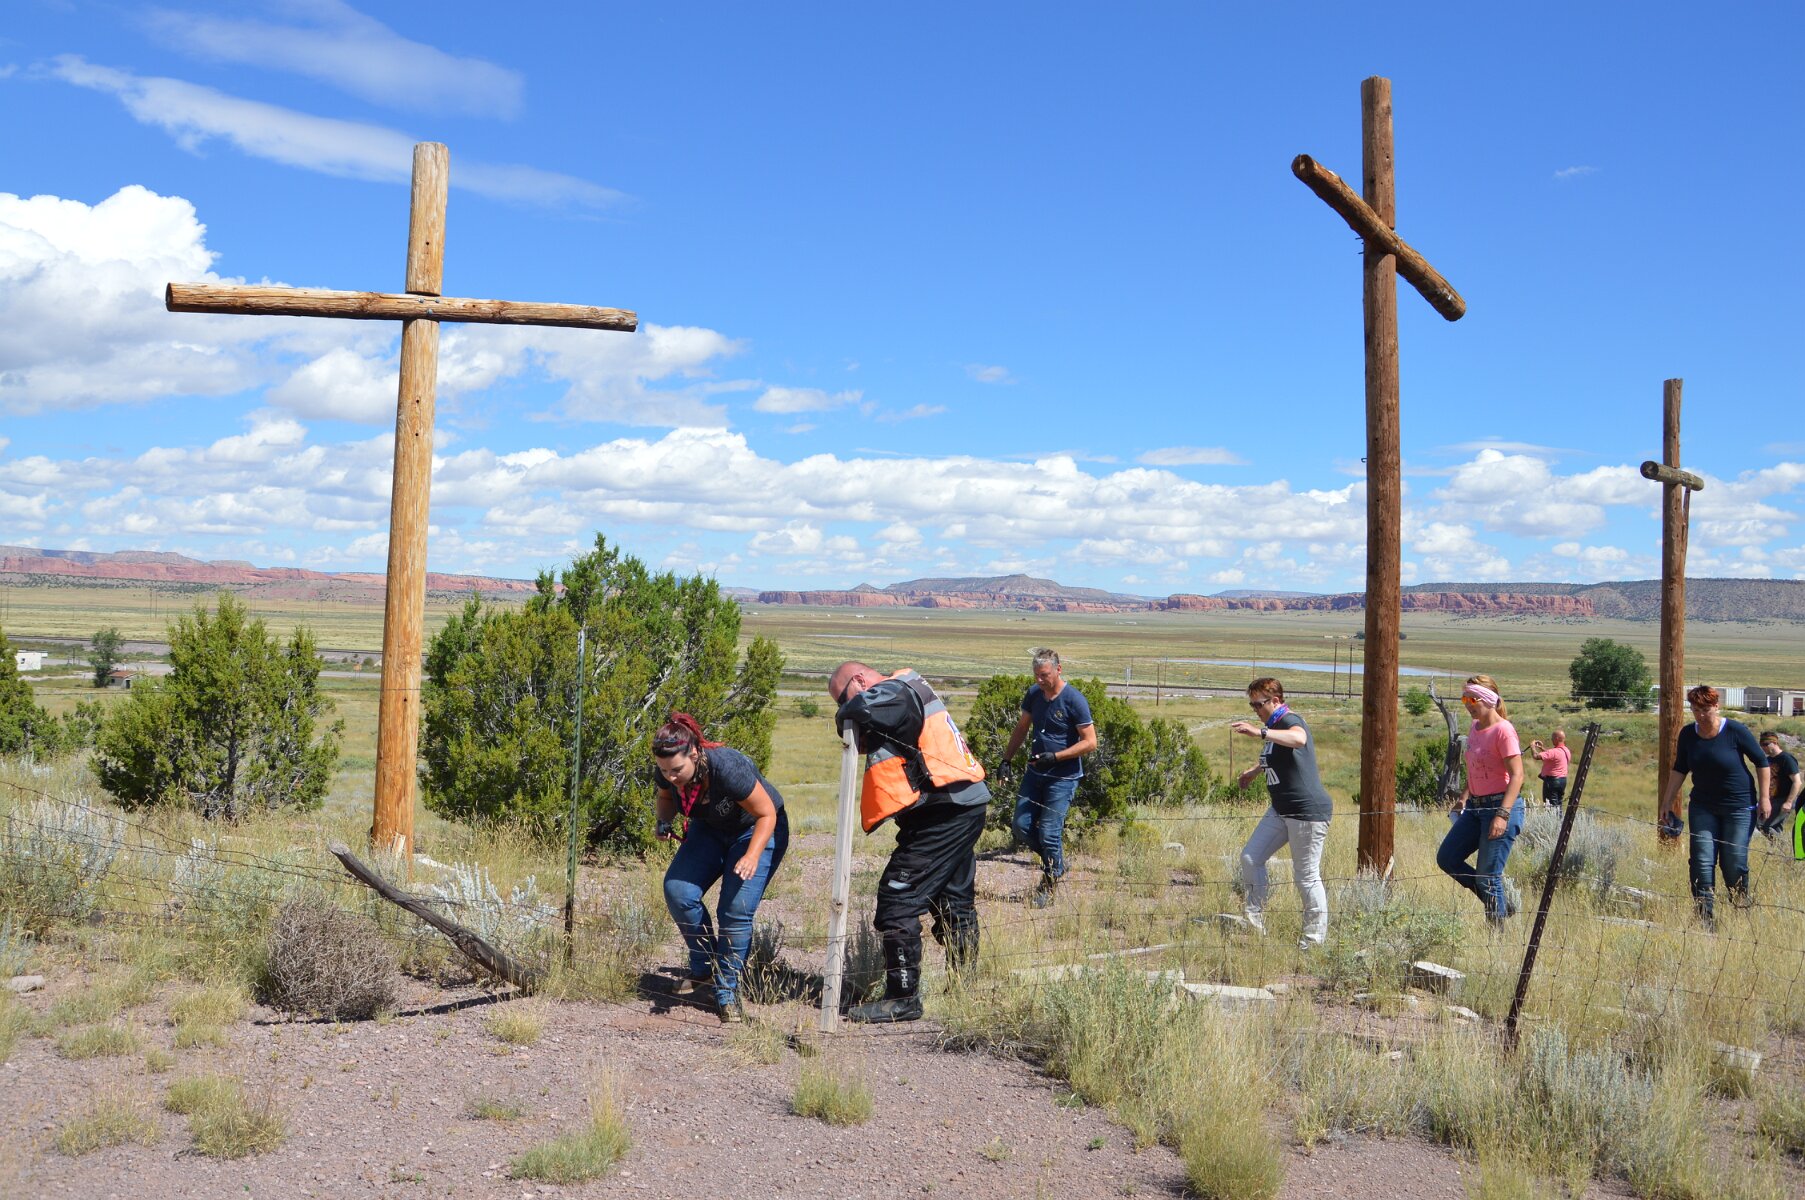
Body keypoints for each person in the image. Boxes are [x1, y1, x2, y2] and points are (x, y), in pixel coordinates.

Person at [828, 661, 989, 1023]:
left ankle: (902, 999)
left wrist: (846, 715)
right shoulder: (909, 689)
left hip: (944, 812)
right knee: (954, 901)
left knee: (897, 899)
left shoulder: (893, 691)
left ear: (860, 680)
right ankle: (964, 989)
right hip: (960, 805)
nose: (842, 705)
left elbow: (859, 709)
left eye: (841, 697)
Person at [652, 712, 790, 1024]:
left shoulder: (727, 768)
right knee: (678, 891)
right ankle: (704, 968)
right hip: (711, 829)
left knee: (735, 910)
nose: (670, 776)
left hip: (755, 829)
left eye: (676, 770)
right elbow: (665, 797)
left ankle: (727, 990)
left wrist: (752, 855)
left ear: (694, 753)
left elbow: (766, 813)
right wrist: (663, 821)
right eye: (664, 770)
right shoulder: (667, 769)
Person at [1227, 677, 1332, 948]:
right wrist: (1254, 771)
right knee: (1251, 858)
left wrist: (1259, 733)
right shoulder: (1274, 726)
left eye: (1258, 704)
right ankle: (1254, 923)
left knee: (1306, 876)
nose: (1255, 710)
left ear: (1275, 701)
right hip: (1281, 808)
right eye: (1252, 706)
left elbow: (1298, 739)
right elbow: (1277, 756)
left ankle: (1313, 942)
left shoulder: (1288, 720)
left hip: (1306, 811)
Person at [1658, 686, 1771, 924]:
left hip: (1739, 807)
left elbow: (1762, 762)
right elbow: (1680, 768)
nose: (1700, 715)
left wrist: (1764, 798)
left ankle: (1741, 909)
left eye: (1705, 709)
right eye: (1695, 709)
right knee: (1701, 860)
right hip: (1703, 807)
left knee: (1733, 862)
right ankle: (1704, 918)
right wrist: (1667, 802)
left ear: (1716, 707)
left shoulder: (1735, 731)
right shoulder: (1688, 734)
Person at [999, 648, 1097, 908]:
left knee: (1050, 833)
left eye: (1044, 675)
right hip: (1035, 773)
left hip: (1063, 778)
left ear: (1058, 669)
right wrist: (1006, 760)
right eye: (1036, 675)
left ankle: (1049, 885)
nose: (1039, 680)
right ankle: (1057, 862)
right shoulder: (1034, 694)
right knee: (1021, 825)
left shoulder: (1074, 700)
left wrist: (1055, 757)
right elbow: (1022, 727)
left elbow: (1090, 742)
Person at [1436, 675, 1527, 922]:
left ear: (1487, 699)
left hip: (1500, 807)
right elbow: (1476, 768)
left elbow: (1517, 776)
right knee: (1447, 858)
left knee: (1488, 876)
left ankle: (1496, 933)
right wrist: (1464, 797)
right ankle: (1498, 903)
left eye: (1472, 699)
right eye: (1464, 699)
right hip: (1475, 808)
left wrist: (1502, 815)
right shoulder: (1475, 728)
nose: (1467, 705)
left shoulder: (1504, 731)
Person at [1756, 731, 1799, 850]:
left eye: (1766, 744)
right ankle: (1779, 852)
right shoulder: (1768, 760)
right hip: (1771, 799)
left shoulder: (1786, 759)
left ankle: (1783, 849)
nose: (1763, 747)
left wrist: (1788, 802)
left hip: (1784, 799)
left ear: (1775, 743)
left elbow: (1797, 782)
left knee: (1766, 826)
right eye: (1761, 745)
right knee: (1767, 826)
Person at [1529, 729, 1571, 807]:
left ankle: (1553, 815)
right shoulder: (1566, 750)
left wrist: (1532, 747)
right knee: (1558, 804)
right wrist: (1542, 748)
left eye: (1552, 738)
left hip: (1552, 782)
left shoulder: (1554, 752)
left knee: (1550, 806)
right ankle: (1559, 815)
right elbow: (1552, 755)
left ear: (1557, 738)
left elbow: (1536, 756)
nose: (1551, 739)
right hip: (1562, 781)